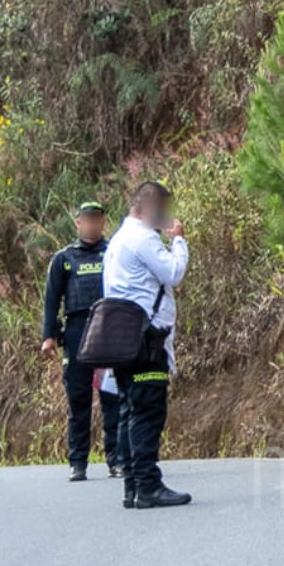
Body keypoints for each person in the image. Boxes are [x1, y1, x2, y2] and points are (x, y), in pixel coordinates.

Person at [103, 182, 191, 509]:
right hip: (145, 343)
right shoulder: (141, 238)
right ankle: (148, 485)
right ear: (149, 205)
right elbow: (174, 272)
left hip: (124, 341)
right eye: (163, 209)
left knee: (129, 409)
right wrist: (178, 240)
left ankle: (133, 486)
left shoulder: (117, 241)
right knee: (147, 410)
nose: (166, 216)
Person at [41, 201, 121, 482]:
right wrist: (48, 336)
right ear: (77, 223)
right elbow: (51, 299)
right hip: (76, 331)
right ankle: (78, 463)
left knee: (112, 395)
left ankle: (116, 459)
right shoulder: (64, 258)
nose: (91, 223)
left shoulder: (113, 252)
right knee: (78, 399)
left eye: (96, 219)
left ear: (102, 222)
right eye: (86, 219)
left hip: (109, 330)